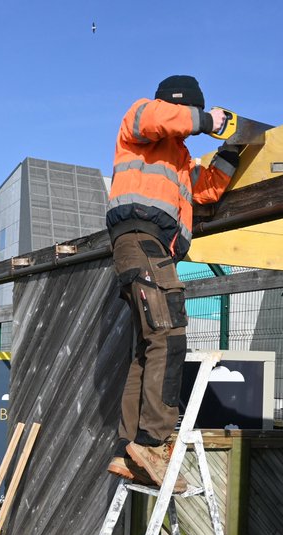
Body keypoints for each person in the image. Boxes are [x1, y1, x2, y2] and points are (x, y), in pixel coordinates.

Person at [105, 75, 240, 490]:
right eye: (190, 113)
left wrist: (233, 152)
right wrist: (206, 119)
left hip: (147, 250)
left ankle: (130, 448)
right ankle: (154, 442)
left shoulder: (179, 159)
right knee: (169, 336)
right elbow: (153, 116)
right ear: (182, 109)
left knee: (149, 347)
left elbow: (205, 191)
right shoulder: (141, 120)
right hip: (142, 241)